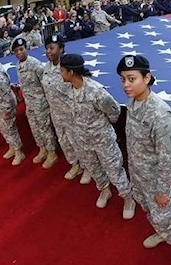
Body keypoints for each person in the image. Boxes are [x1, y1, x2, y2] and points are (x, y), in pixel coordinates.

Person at [116, 55, 171, 265]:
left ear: (146, 78)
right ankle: (162, 232)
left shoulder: (159, 114)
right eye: (123, 79)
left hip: (157, 180)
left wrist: (162, 190)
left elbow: (169, 159)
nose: (126, 85)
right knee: (149, 210)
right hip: (139, 174)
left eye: (132, 79)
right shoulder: (133, 103)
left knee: (164, 214)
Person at [60, 54, 135, 218]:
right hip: (83, 140)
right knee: (94, 168)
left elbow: (114, 111)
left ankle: (128, 198)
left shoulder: (95, 91)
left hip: (103, 141)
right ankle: (104, 189)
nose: (60, 73)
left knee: (114, 170)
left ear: (71, 72)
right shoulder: (69, 89)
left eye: (62, 70)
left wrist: (101, 128)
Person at [41, 35, 84, 181]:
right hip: (56, 112)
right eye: (46, 48)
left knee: (77, 140)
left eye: (52, 48)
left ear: (61, 49)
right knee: (64, 140)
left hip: (71, 113)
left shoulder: (69, 68)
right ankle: (74, 165)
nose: (48, 51)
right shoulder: (46, 67)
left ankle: (87, 167)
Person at [11, 38, 58, 169]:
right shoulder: (18, 66)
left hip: (40, 103)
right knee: (35, 128)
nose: (19, 53)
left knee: (45, 128)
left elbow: (45, 85)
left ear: (26, 49)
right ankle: (42, 148)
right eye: (16, 51)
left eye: (21, 49)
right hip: (29, 103)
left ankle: (52, 152)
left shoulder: (35, 65)